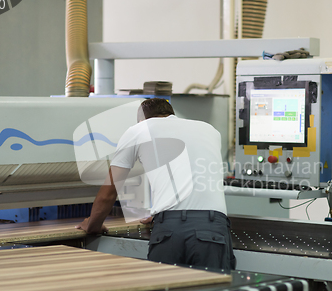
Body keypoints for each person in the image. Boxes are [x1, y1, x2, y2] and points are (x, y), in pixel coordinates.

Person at [76, 98, 235, 271]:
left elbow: (109, 192)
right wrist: (162, 209)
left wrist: (93, 225)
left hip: (169, 229)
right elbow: (192, 174)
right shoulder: (209, 129)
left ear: (141, 120)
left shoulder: (138, 130)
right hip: (212, 228)